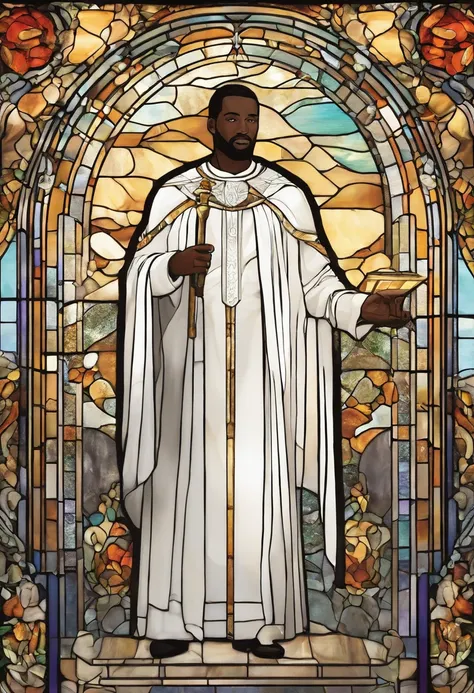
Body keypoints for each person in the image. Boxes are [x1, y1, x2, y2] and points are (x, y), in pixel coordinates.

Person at [116, 83, 409, 660]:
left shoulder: (285, 196)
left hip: (261, 374)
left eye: (251, 117)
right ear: (212, 124)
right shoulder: (177, 194)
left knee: (258, 491)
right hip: (188, 379)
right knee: (182, 489)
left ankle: (259, 620)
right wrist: (171, 264)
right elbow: (138, 274)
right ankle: (172, 619)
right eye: (232, 117)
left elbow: (315, 282)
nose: (242, 126)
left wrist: (362, 309)